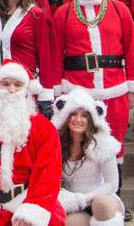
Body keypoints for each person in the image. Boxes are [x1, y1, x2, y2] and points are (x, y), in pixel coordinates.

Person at [52, 0, 134, 160]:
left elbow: (132, 51)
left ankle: (113, 188)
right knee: (78, 143)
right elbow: (56, 53)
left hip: (115, 89)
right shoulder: (63, 13)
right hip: (77, 90)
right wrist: (56, 89)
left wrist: (133, 88)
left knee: (115, 142)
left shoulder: (120, 10)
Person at [0, 60, 64, 226]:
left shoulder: (45, 129)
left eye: (17, 85)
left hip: (27, 200)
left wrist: (30, 212)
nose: (11, 90)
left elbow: (48, 176)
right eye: (6, 84)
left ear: (26, 90)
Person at [52, 89, 125, 226]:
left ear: (91, 119)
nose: (78, 119)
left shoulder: (103, 143)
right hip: (75, 204)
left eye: (84, 115)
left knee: (101, 204)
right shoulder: (56, 144)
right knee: (69, 223)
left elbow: (112, 184)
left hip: (102, 198)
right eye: (73, 114)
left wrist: (84, 198)